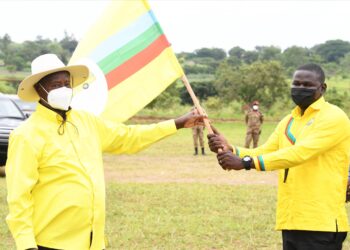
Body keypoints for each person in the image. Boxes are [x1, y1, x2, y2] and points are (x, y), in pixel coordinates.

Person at [5, 54, 204, 250]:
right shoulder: (26, 135)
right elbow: (19, 197)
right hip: (50, 243)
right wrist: (26, 246)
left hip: (92, 241)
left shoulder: (87, 121)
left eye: (67, 83)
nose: (64, 89)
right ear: (39, 90)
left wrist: (177, 123)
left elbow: (128, 137)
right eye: (56, 85)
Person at [208, 63, 350, 250]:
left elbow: (300, 153)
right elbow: (265, 151)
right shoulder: (288, 120)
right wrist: (231, 149)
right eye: (296, 84)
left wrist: (246, 163)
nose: (300, 89)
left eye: (307, 85)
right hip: (291, 218)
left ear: (322, 88)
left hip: (320, 220)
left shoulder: (333, 117)